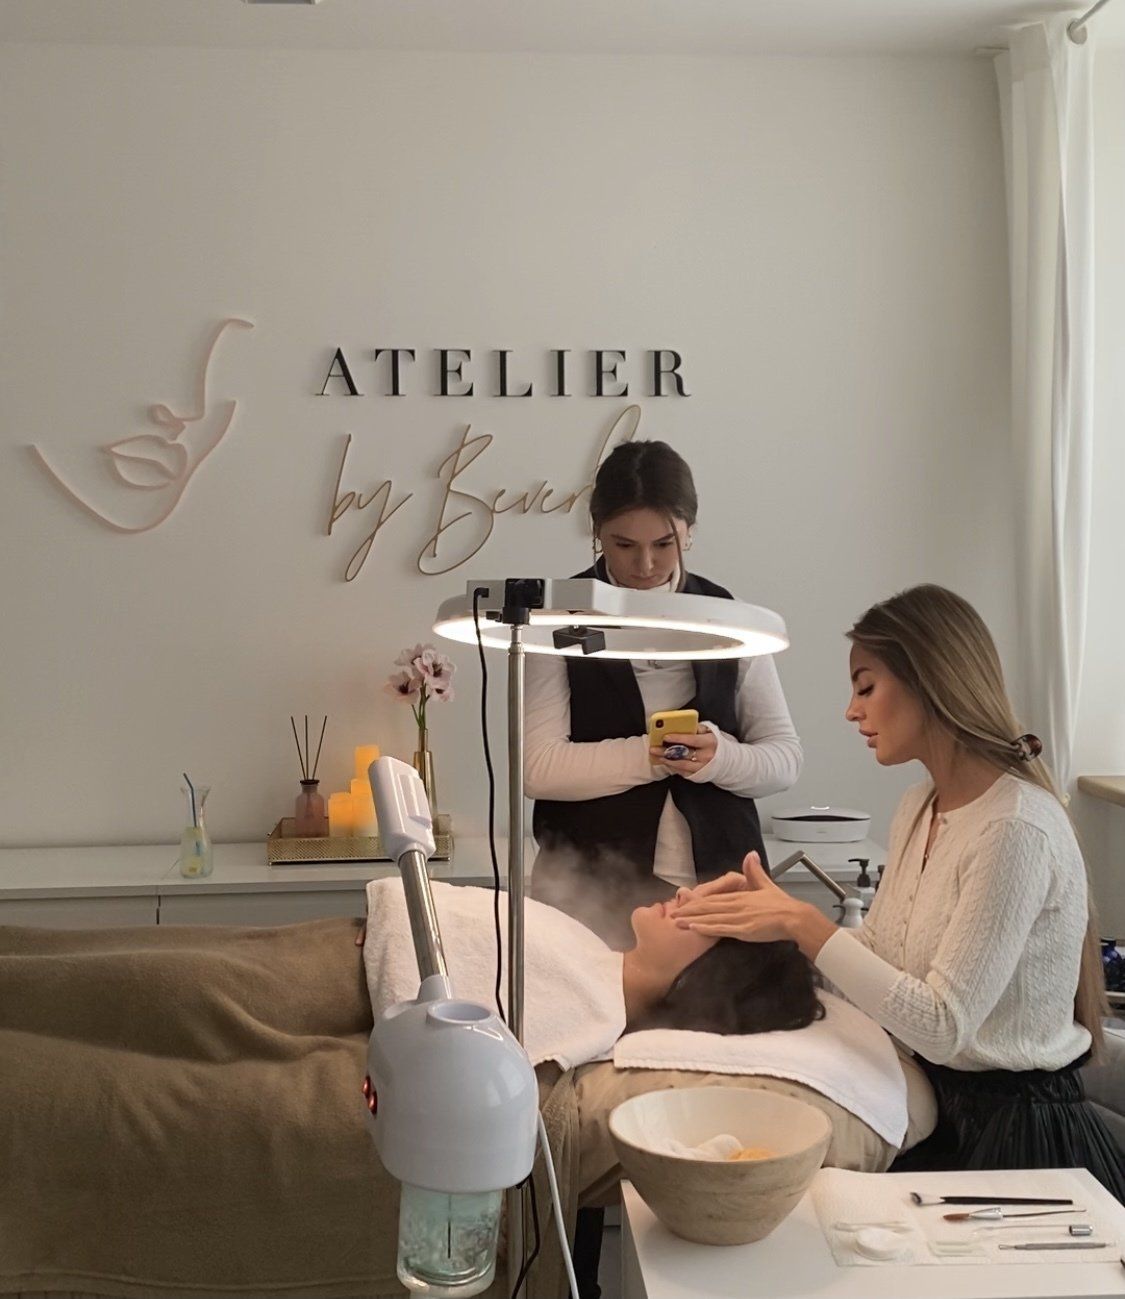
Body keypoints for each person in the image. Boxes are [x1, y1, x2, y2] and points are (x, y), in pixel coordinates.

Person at [673, 583, 1125, 1197]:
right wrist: (768, 931)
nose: (850, 711)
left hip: (1017, 1140)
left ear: (929, 682)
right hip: (932, 1107)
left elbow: (941, 1025)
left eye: (865, 687)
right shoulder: (919, 806)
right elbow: (883, 959)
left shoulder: (1015, 828)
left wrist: (805, 926)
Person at [525, 439, 803, 947]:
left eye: (664, 543)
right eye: (624, 545)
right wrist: (657, 755)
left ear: (689, 531)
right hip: (589, 893)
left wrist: (720, 758)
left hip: (722, 887)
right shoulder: (559, 616)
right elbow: (539, 767)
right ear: (596, 532)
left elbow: (784, 760)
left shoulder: (727, 616)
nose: (646, 564)